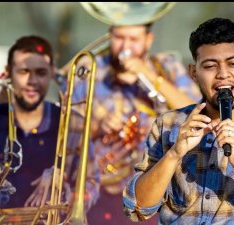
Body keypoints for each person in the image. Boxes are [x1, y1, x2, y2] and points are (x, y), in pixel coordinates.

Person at [123, 17, 234, 225]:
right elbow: (136, 209)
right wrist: (174, 154)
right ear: (193, 72)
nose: (223, 74)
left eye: (233, 64)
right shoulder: (169, 124)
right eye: (210, 66)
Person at [68, 22, 202, 225]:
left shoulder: (166, 66)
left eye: (134, 39)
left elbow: (195, 111)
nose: (125, 47)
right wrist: (97, 124)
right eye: (119, 38)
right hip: (99, 194)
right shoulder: (90, 72)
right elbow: (65, 132)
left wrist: (149, 75)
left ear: (148, 40)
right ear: (109, 36)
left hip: (154, 193)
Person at [0, 36, 100, 215]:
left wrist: (64, 192)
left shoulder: (72, 123)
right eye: (23, 71)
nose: (32, 81)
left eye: (41, 73)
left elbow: (91, 182)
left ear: (52, 73)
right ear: (8, 73)